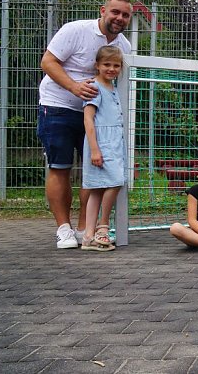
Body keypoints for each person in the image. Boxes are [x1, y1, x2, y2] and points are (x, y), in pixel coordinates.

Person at [37, 0, 133, 248]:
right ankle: (64, 228)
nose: (119, 18)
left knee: (94, 172)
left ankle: (84, 228)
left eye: (125, 15)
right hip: (59, 106)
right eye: (115, 12)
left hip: (97, 117)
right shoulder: (75, 30)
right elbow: (48, 62)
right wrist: (74, 87)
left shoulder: (124, 47)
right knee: (60, 167)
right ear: (103, 10)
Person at [80, 47, 125, 251]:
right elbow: (88, 118)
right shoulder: (95, 87)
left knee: (98, 187)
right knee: (116, 181)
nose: (111, 69)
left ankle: (88, 237)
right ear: (97, 65)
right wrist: (95, 149)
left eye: (116, 65)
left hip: (114, 141)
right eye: (107, 64)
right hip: (101, 142)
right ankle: (103, 227)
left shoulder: (113, 87)